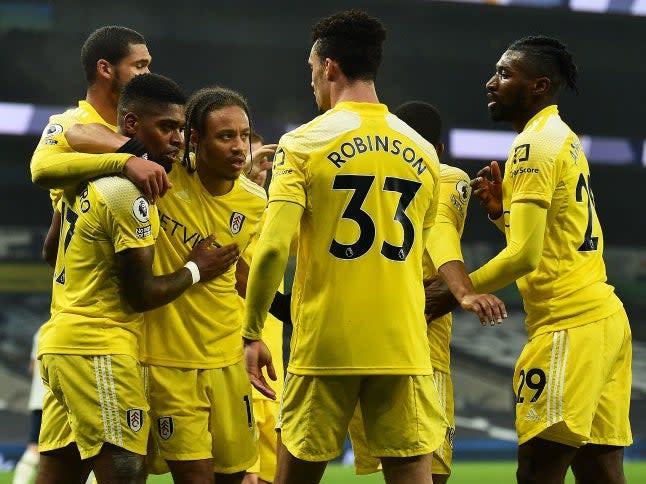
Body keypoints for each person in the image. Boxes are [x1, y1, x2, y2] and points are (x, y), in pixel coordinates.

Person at [241, 10, 505, 484]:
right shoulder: (421, 151)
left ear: (329, 67)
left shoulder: (302, 144)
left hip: (325, 343)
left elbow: (273, 248)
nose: (312, 82)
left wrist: (251, 332)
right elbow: (433, 238)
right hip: (403, 346)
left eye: (311, 69)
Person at [32, 73, 240, 484]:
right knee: (125, 470)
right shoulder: (130, 194)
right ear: (130, 126)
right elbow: (142, 294)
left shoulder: (83, 176)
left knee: (57, 474)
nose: (177, 139)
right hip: (100, 347)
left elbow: (50, 250)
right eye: (166, 127)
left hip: (60, 344)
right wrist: (198, 267)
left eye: (180, 129)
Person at [465, 36, 632, 483]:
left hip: (568, 324)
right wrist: (502, 215)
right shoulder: (564, 139)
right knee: (600, 470)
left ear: (539, 85)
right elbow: (549, 239)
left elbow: (523, 257)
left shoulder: (531, 146)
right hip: (604, 318)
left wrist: (456, 290)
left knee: (537, 471)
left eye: (504, 74)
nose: (491, 82)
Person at [348, 101, 471, 484]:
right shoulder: (450, 175)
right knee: (425, 472)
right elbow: (441, 231)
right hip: (418, 346)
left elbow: (439, 230)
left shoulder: (372, 170)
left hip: (367, 333)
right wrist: (460, 287)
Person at [12, 329, 47, 484]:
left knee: (34, 447)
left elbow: (32, 368)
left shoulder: (41, 331)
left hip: (39, 401)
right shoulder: (74, 325)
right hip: (60, 401)